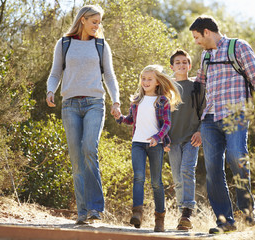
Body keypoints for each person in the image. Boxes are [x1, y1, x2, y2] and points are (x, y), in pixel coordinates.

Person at [189, 15, 255, 234]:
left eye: (197, 37)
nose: (196, 41)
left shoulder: (238, 46)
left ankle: (247, 209)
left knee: (236, 156)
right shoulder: (205, 56)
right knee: (213, 170)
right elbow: (199, 84)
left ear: (207, 32)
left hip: (236, 115)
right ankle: (225, 221)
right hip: (210, 119)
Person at [46, 5, 121, 225]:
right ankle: (82, 211)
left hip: (94, 104)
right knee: (77, 159)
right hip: (69, 105)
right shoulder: (64, 43)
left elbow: (109, 75)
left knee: (90, 148)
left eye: (99, 22)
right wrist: (51, 90)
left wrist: (116, 99)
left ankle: (95, 208)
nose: (98, 26)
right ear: (82, 20)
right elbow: (55, 73)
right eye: (94, 22)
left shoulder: (101, 45)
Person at [115, 65, 181, 232]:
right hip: (137, 143)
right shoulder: (137, 100)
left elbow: (167, 124)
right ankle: (137, 213)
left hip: (155, 145)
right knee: (138, 177)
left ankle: (160, 219)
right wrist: (120, 118)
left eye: (149, 79)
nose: (145, 82)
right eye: (143, 79)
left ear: (158, 82)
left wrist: (157, 138)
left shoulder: (162, 101)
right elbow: (131, 120)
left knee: (156, 183)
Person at [165, 49, 205, 231]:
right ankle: (183, 215)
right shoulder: (166, 88)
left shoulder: (197, 86)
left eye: (184, 62)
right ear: (171, 66)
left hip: (191, 138)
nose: (181, 65)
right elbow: (160, 115)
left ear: (189, 65)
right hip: (171, 139)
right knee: (177, 177)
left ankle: (187, 212)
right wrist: (162, 136)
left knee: (187, 171)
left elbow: (205, 111)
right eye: (177, 62)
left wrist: (200, 131)